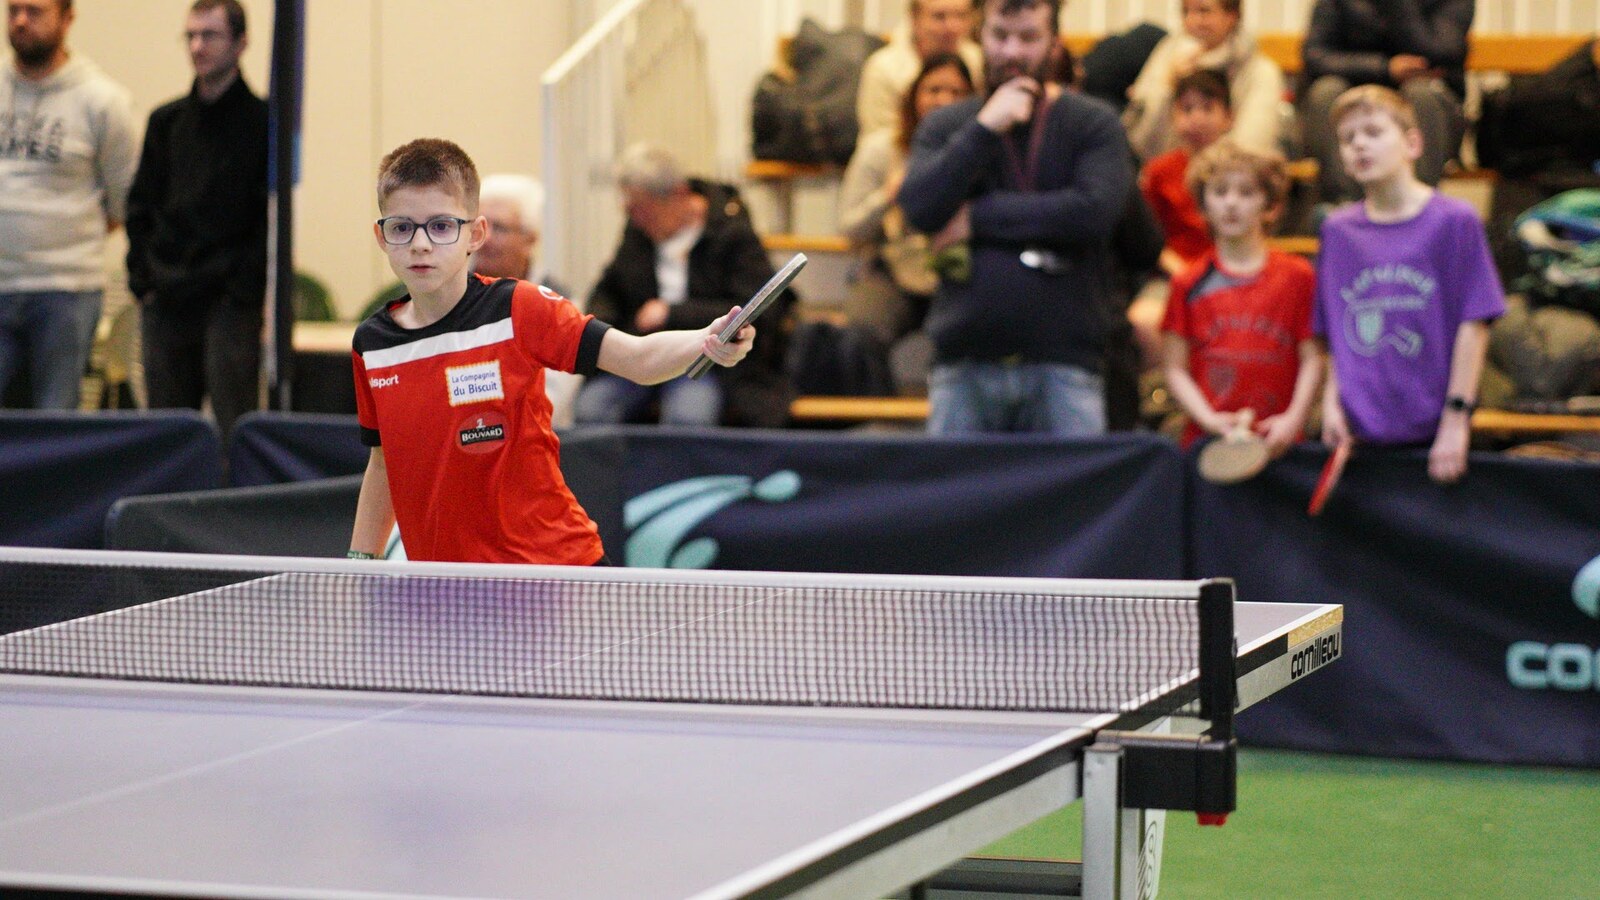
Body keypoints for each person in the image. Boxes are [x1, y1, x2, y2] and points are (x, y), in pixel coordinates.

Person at [347, 139, 755, 564]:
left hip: (554, 569)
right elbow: (383, 464)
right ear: (381, 236)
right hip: (447, 582)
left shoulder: (518, 308)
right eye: (402, 228)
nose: (420, 244)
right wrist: (360, 563)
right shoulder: (374, 345)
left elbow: (637, 358)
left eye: (441, 226)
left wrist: (707, 339)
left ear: (475, 234)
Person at [899, 0, 1133, 436]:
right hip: (964, 360)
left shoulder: (1094, 123)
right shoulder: (948, 125)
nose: (1011, 51)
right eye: (1000, 36)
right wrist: (984, 128)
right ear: (979, 37)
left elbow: (1094, 212)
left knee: (1075, 484)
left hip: (1065, 359)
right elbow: (920, 208)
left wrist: (976, 217)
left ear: (1055, 44)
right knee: (955, 484)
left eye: (1028, 38)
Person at [1315, 86, 1504, 484]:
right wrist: (1331, 403)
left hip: (1435, 432)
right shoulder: (1337, 231)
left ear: (1413, 143)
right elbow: (1335, 330)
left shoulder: (1455, 221)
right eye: (1348, 138)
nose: (1359, 144)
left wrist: (1456, 419)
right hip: (1360, 435)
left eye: (1373, 132)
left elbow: (1475, 324)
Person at [125, 0, 267, 439]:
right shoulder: (166, 122)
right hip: (167, 294)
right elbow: (140, 207)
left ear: (241, 43)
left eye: (210, 35)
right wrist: (143, 281)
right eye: (190, 36)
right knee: (167, 434)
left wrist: (244, 288)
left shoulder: (264, 123)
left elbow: (268, 217)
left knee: (233, 429)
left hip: (229, 298)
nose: (197, 46)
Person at [577, 143, 781, 428]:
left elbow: (753, 308)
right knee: (591, 409)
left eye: (644, 210)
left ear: (679, 195)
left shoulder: (731, 232)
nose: (637, 219)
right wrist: (600, 331)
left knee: (688, 417)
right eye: (631, 210)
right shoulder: (638, 232)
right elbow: (609, 290)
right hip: (643, 351)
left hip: (704, 359)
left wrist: (671, 313)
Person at [0, 0, 138, 409]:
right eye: (13, 10)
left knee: (56, 416)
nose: (20, 21)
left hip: (65, 289)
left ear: (67, 19)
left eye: (35, 11)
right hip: (1, 279)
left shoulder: (102, 101)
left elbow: (123, 202)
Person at [1161, 140, 1320, 452]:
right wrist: (1208, 419)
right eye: (1220, 192)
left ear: (1271, 206)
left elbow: (1313, 359)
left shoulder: (1298, 277)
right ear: (1203, 205)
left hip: (1280, 443)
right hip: (1209, 443)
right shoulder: (1187, 282)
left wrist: (1293, 419)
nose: (1231, 203)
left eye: (1246, 193)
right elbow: (1174, 368)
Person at [838, 52, 975, 391]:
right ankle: (875, 414)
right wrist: (887, 197)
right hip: (891, 269)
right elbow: (849, 228)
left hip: (961, 272)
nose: (944, 100)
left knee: (988, 325)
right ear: (913, 95)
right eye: (934, 90)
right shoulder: (880, 149)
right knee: (860, 331)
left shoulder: (985, 149)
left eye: (956, 92)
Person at [1300, 0, 1473, 204]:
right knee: (1326, 91)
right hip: (1356, 94)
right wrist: (1385, 68)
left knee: (1421, 94)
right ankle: (1344, 207)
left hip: (1427, 104)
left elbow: (1442, 53)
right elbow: (1315, 56)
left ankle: (1417, 208)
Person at [473, 172, 580, 427]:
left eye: (499, 228)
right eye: (479, 227)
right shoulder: (448, 293)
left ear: (530, 238)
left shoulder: (559, 302)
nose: (486, 239)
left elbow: (552, 399)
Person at [1122, 0, 1284, 161]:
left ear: (1231, 16)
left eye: (1204, 11)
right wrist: (1168, 85)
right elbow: (1138, 139)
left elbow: (1250, 147)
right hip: (1165, 169)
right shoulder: (1168, 53)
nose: (1192, 21)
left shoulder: (1261, 73)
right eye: (1185, 12)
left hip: (1229, 173)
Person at [856, 0, 985, 140]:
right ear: (914, 19)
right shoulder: (882, 68)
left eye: (961, 16)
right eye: (939, 16)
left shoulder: (981, 62)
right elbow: (878, 137)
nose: (953, 26)